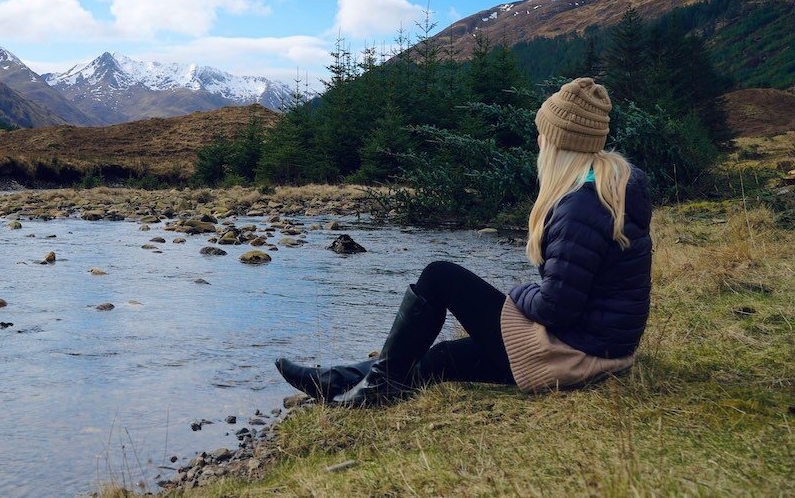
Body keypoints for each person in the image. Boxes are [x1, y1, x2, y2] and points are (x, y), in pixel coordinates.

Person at [276, 77, 653, 405]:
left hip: (573, 353)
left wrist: (517, 295)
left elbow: (556, 308)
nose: (538, 140)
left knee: (440, 276)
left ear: (559, 142)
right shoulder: (614, 189)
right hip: (599, 347)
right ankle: (336, 381)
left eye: (543, 133)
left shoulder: (580, 208)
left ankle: (375, 391)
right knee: (439, 359)